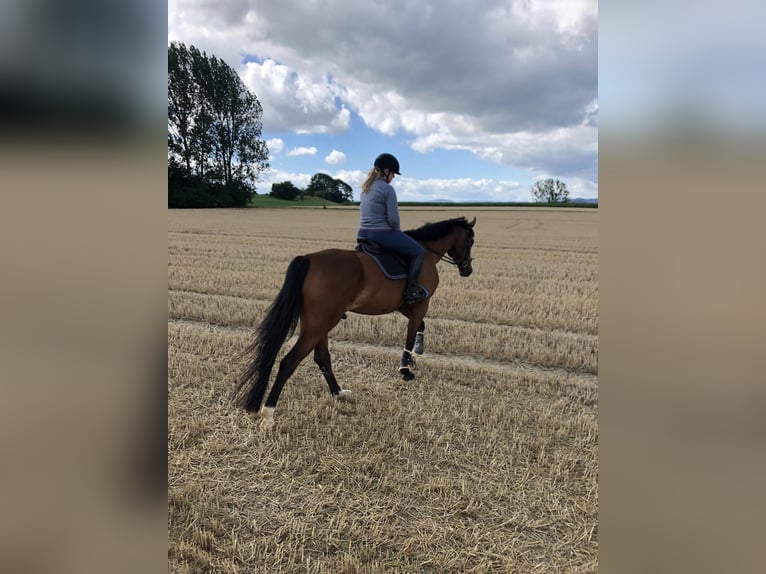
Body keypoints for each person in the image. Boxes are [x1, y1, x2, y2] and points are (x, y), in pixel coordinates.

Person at [357, 153, 428, 305]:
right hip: (381, 234)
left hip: (362, 234)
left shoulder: (365, 189)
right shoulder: (387, 189)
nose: (394, 177)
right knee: (419, 252)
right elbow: (393, 220)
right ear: (386, 171)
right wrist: (397, 232)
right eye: (394, 173)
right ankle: (411, 291)